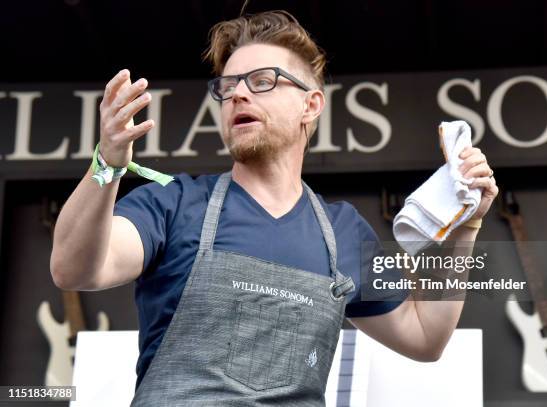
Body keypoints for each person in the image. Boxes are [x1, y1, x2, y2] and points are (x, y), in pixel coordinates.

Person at [50, 10, 498, 406]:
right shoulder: (175, 204)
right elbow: (74, 270)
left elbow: (425, 337)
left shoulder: (344, 232)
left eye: (261, 81)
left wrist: (467, 227)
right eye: (228, 87)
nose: (239, 95)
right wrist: (106, 165)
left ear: (311, 104)